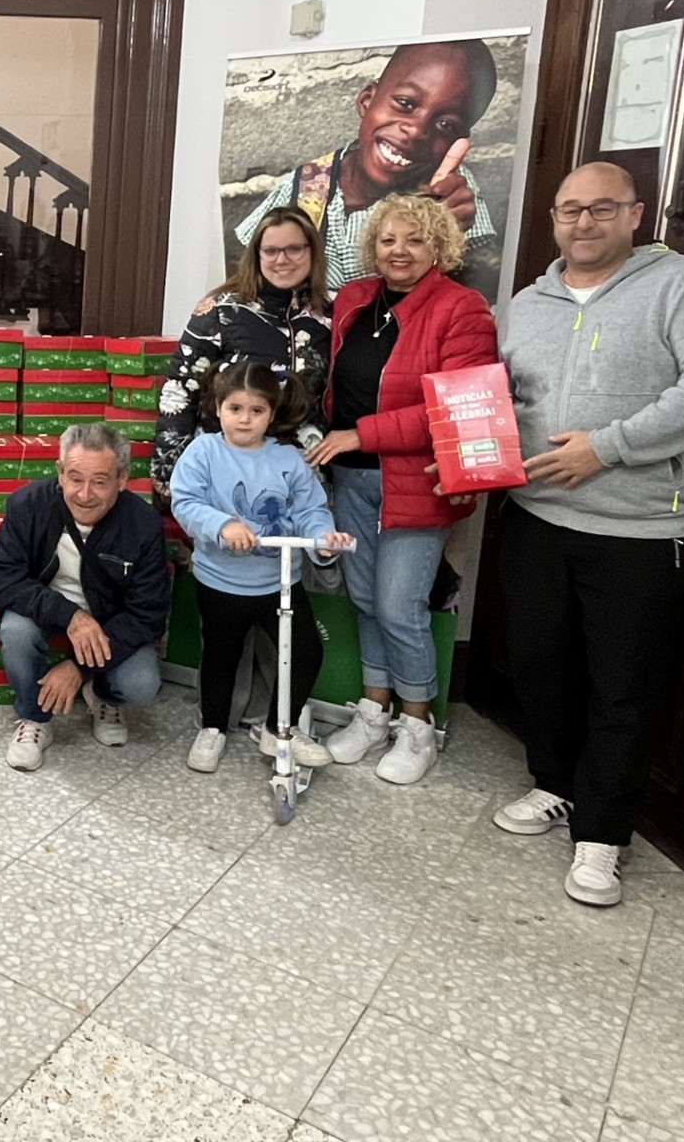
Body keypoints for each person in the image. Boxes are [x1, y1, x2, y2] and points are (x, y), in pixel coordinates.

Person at [493, 162, 684, 908]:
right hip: (535, 518)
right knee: (539, 665)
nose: (584, 222)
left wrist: (606, 448)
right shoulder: (527, 305)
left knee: (623, 686)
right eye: (570, 209)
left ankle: (602, 835)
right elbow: (503, 397)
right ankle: (554, 785)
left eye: (602, 208)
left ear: (636, 214)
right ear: (553, 218)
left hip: (641, 527)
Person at [306, 192, 498, 784]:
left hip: (416, 480)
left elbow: (457, 405)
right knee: (366, 600)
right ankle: (373, 711)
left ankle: (418, 727)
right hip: (350, 478)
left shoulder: (462, 308)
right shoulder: (355, 299)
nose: (400, 251)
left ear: (439, 246)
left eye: (415, 240)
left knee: (399, 606)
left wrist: (358, 434)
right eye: (388, 239)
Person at [170, 361, 353, 773]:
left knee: (305, 652)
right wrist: (223, 525)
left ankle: (278, 728)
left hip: (278, 582)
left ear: (272, 413)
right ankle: (213, 727)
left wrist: (323, 539)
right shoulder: (204, 451)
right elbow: (185, 502)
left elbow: (310, 510)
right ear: (218, 407)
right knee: (221, 658)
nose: (245, 419)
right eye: (235, 408)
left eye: (256, 411)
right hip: (220, 581)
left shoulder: (288, 459)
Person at [233, 39, 501, 293]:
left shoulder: (445, 191)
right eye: (405, 103)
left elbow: (477, 286)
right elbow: (246, 265)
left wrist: (450, 237)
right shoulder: (307, 183)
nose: (416, 131)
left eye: (446, 125)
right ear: (367, 100)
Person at [0, 422, 170, 772]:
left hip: (110, 623)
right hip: (45, 609)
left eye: (99, 482)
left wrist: (79, 669)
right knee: (15, 630)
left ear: (122, 479)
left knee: (141, 683)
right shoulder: (28, 505)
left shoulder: (143, 524)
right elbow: (1, 579)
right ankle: (34, 717)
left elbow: (149, 613)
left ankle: (101, 694)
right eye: (75, 479)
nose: (84, 495)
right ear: (60, 473)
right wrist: (69, 615)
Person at [152, 204, 332, 495]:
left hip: (302, 480)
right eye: (271, 250)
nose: (282, 259)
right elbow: (180, 392)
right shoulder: (220, 311)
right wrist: (168, 478)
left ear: (312, 251)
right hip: (225, 475)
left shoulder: (329, 317)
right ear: (256, 254)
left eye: (294, 249)